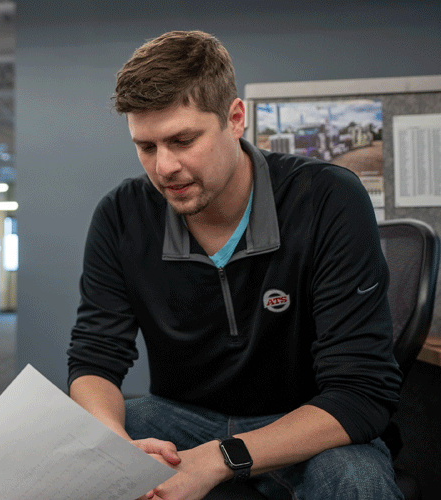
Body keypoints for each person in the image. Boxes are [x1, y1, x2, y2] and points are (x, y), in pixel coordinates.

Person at [66, 31, 402, 500]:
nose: (164, 167)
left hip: (302, 419)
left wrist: (223, 457)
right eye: (146, 147)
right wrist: (115, 446)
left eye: (183, 140)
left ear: (235, 119)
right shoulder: (121, 215)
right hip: (180, 416)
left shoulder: (328, 199)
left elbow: (363, 394)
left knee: (356, 481)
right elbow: (93, 360)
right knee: (87, 459)